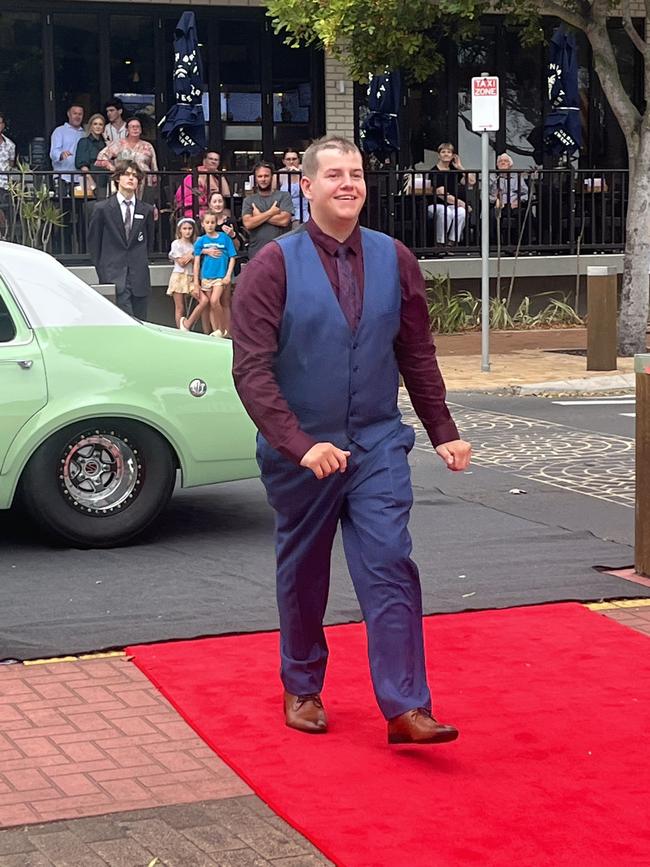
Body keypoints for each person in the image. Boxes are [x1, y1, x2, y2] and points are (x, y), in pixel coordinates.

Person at [231, 135, 472, 745]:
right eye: (334, 174)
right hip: (303, 453)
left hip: (377, 444)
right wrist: (297, 443)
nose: (348, 184)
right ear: (306, 186)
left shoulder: (395, 258)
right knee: (306, 570)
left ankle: (406, 706)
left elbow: (415, 351)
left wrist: (441, 428)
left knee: (390, 562)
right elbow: (251, 368)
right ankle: (302, 685)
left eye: (357, 174)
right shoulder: (272, 264)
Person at [87, 160, 155, 320]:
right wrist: (103, 271)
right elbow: (94, 243)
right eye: (126, 174)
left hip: (139, 277)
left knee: (141, 323)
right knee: (123, 321)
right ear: (117, 178)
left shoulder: (145, 210)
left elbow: (149, 241)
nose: (131, 178)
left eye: (135, 175)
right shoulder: (102, 209)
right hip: (113, 275)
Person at [181, 209, 237, 336]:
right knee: (212, 306)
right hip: (206, 276)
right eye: (207, 222)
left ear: (216, 222)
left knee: (214, 300)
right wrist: (196, 282)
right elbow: (196, 262)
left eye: (212, 222)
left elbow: (233, 257)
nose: (210, 225)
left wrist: (228, 275)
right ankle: (216, 330)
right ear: (202, 224)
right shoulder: (200, 241)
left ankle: (222, 329)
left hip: (220, 276)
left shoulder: (224, 238)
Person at [95, 118, 159, 202]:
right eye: (132, 127)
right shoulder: (119, 144)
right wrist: (113, 168)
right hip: (123, 181)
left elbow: (154, 168)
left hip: (144, 184)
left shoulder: (148, 146)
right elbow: (100, 158)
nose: (135, 129)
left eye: (137, 127)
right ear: (127, 129)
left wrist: (154, 185)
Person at [241, 162, 293, 259]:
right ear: (255, 179)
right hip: (257, 252)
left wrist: (259, 216)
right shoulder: (249, 200)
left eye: (266, 176)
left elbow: (284, 221)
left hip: (281, 251)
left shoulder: (284, 196)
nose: (263, 179)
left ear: (272, 177)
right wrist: (271, 212)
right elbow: (248, 223)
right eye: (260, 176)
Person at [427, 143, 476, 245]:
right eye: (443, 152)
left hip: (452, 206)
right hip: (435, 205)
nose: (446, 154)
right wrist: (464, 204)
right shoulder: (434, 171)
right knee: (446, 212)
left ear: (453, 156)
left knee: (462, 212)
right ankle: (440, 242)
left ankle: (452, 242)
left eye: (449, 152)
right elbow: (442, 194)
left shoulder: (454, 170)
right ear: (438, 155)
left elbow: (471, 182)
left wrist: (460, 167)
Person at [175, 151, 231, 218]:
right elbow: (213, 192)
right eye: (211, 159)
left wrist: (220, 175)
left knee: (227, 213)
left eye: (216, 160)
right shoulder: (198, 173)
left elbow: (226, 194)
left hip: (210, 207)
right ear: (204, 161)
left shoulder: (215, 176)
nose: (213, 161)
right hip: (193, 209)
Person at [489, 153, 528, 244]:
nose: (502, 163)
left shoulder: (517, 177)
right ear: (497, 165)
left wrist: (519, 201)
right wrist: (495, 200)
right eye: (500, 161)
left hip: (514, 204)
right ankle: (494, 244)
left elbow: (526, 193)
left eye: (505, 161)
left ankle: (521, 244)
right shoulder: (492, 178)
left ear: (510, 165)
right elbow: (486, 194)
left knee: (524, 214)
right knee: (491, 215)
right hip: (499, 205)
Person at [167, 217, 197, 328]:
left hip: (191, 276)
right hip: (179, 276)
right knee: (180, 307)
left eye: (190, 228)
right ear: (180, 230)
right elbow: (182, 262)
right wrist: (191, 255)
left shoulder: (194, 244)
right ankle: (180, 329)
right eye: (184, 228)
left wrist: (191, 257)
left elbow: (196, 261)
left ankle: (188, 324)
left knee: (199, 301)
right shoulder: (176, 244)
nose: (187, 231)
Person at [49, 104, 85, 187]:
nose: (77, 116)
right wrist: (61, 155)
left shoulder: (85, 134)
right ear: (68, 114)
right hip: (63, 177)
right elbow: (53, 152)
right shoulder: (59, 131)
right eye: (75, 113)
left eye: (80, 114)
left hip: (80, 178)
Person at [75, 113, 109, 198]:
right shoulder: (84, 142)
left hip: (105, 180)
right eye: (95, 124)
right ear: (91, 126)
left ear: (104, 128)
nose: (98, 126)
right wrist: (92, 184)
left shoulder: (105, 144)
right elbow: (83, 166)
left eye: (100, 124)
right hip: (91, 181)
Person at [277, 147, 309, 228]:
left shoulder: (305, 172)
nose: (291, 162)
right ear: (283, 161)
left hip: (302, 212)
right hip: (285, 211)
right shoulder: (279, 174)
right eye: (288, 159)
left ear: (299, 160)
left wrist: (300, 173)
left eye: (294, 159)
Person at [0, 112, 16, 237]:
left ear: (3, 125)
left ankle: (5, 237)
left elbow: (11, 164)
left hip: (4, 184)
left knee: (6, 212)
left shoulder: (10, 145)